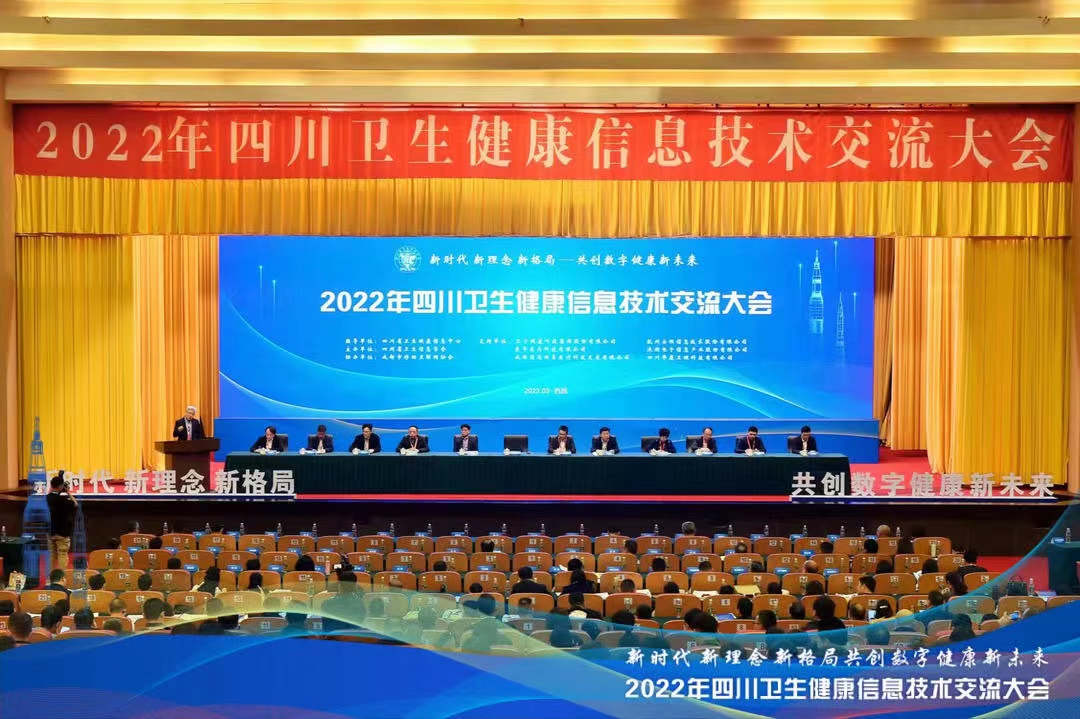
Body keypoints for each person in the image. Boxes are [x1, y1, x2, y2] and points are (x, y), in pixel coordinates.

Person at [46, 472, 77, 570]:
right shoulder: (63, 500)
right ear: (61, 486)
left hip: (50, 532)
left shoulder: (46, 499)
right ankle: (62, 576)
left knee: (51, 555)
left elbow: (50, 495)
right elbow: (75, 504)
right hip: (62, 533)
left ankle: (50, 576)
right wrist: (68, 492)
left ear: (51, 485)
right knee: (62, 554)